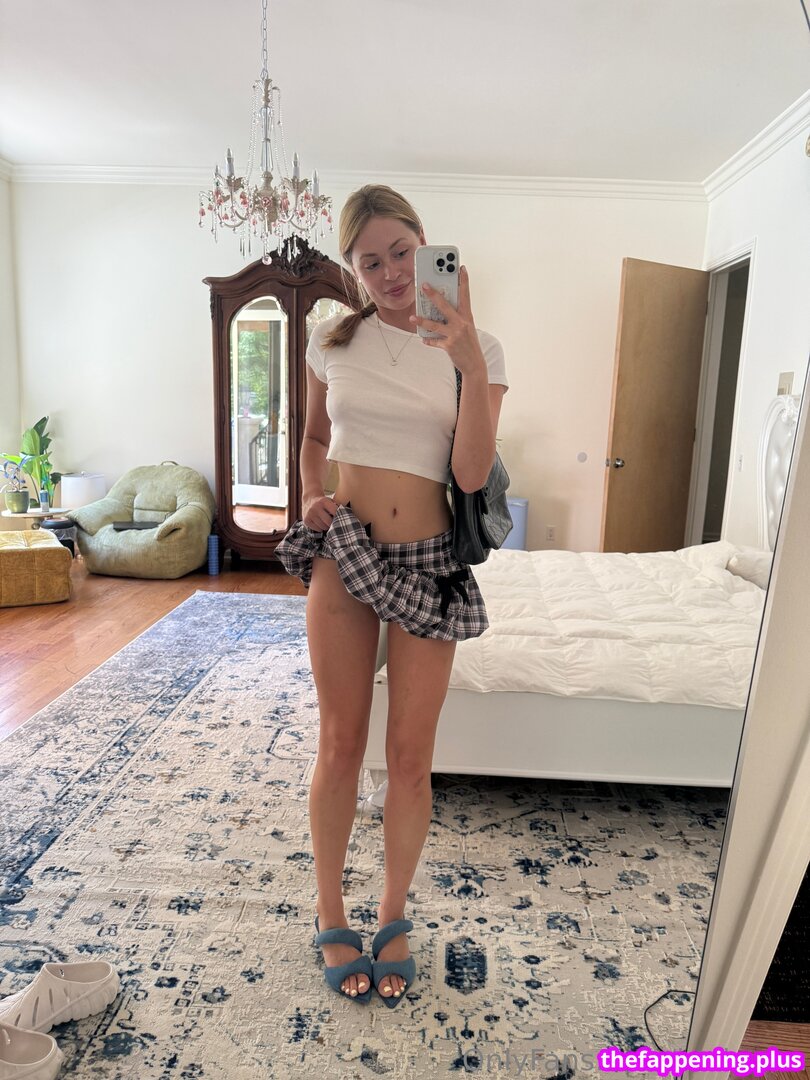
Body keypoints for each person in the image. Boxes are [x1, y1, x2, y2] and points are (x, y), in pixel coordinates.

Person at [275, 184, 508, 1007]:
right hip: (345, 552)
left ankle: (393, 912)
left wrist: (468, 360)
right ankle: (330, 908)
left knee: (409, 757)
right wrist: (311, 491)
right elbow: (313, 435)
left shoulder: (480, 350)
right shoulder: (331, 338)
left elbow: (471, 475)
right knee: (341, 742)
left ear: (424, 243)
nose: (391, 273)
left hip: (429, 560)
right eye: (370, 261)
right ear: (352, 268)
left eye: (401, 253)